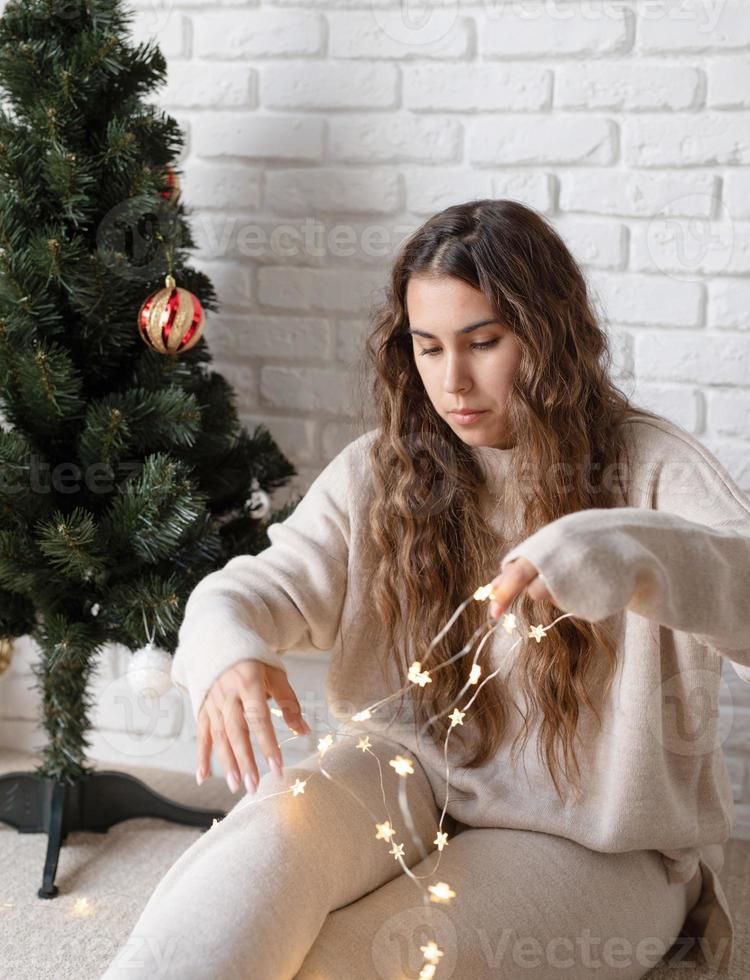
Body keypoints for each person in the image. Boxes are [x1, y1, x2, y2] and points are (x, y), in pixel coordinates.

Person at [101, 200, 750, 980]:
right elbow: (246, 592)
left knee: (366, 958)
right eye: (428, 346)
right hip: (409, 775)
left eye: (484, 343)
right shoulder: (384, 468)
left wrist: (630, 551)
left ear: (550, 337)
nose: (453, 382)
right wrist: (227, 653)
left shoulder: (655, 467)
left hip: (597, 841)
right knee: (264, 849)